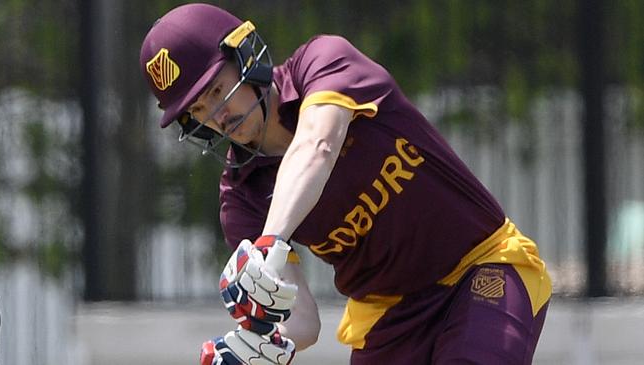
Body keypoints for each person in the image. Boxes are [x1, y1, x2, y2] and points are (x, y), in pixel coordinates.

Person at [140, 3, 552, 364]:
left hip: (481, 264)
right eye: (199, 108)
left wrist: (270, 242)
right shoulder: (241, 196)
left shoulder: (322, 64)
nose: (218, 115)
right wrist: (266, 344)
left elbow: (317, 145)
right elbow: (304, 320)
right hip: (388, 317)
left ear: (245, 56)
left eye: (216, 89)